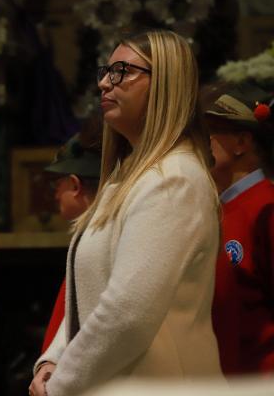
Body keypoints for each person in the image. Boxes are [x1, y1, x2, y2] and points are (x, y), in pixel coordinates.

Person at [30, 29, 222, 396]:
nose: (104, 83)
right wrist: (53, 360)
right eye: (106, 71)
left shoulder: (173, 179)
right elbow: (89, 295)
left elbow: (128, 313)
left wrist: (64, 382)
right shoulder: (126, 177)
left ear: (166, 83)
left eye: (123, 72)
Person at [204, 83, 274, 374]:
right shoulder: (220, 208)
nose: (201, 143)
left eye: (210, 132)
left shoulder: (266, 207)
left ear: (241, 142)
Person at [40, 131, 101, 353]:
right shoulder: (90, 235)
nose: (56, 195)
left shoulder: (95, 241)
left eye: (58, 185)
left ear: (75, 185)